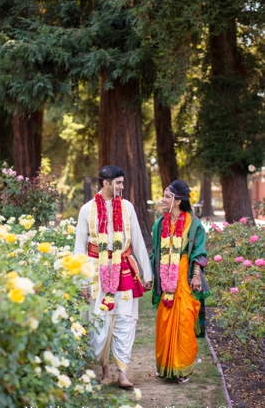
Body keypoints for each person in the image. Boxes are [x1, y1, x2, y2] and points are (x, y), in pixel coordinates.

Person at [74, 165, 152, 388]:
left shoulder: (127, 207)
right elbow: (79, 247)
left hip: (124, 268)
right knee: (100, 321)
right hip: (96, 269)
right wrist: (81, 282)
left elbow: (137, 239)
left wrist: (146, 273)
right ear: (105, 183)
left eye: (122, 183)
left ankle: (122, 372)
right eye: (118, 183)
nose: (121, 187)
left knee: (126, 320)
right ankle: (105, 370)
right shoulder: (86, 210)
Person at [150, 180, 210, 384]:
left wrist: (195, 275)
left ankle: (183, 369)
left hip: (184, 280)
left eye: (167, 196)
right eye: (164, 195)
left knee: (184, 322)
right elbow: (155, 252)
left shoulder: (193, 223)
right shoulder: (159, 223)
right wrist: (153, 275)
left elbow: (199, 252)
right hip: (165, 281)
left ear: (178, 200)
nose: (163, 200)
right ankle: (166, 367)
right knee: (165, 322)